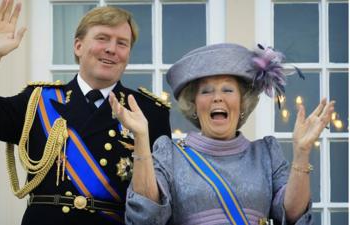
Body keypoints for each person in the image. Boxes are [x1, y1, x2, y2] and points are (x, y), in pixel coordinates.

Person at [0, 0, 171, 224]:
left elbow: (160, 200)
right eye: (102, 38)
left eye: (122, 43)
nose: (112, 49)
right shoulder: (38, 101)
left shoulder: (149, 113)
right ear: (78, 46)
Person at [109, 43, 335, 225]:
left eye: (228, 90)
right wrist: (141, 138)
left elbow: (293, 215)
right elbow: (146, 217)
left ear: (242, 102)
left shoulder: (266, 153)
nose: (218, 98)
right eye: (206, 91)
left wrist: (302, 152)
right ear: (194, 105)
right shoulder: (170, 154)